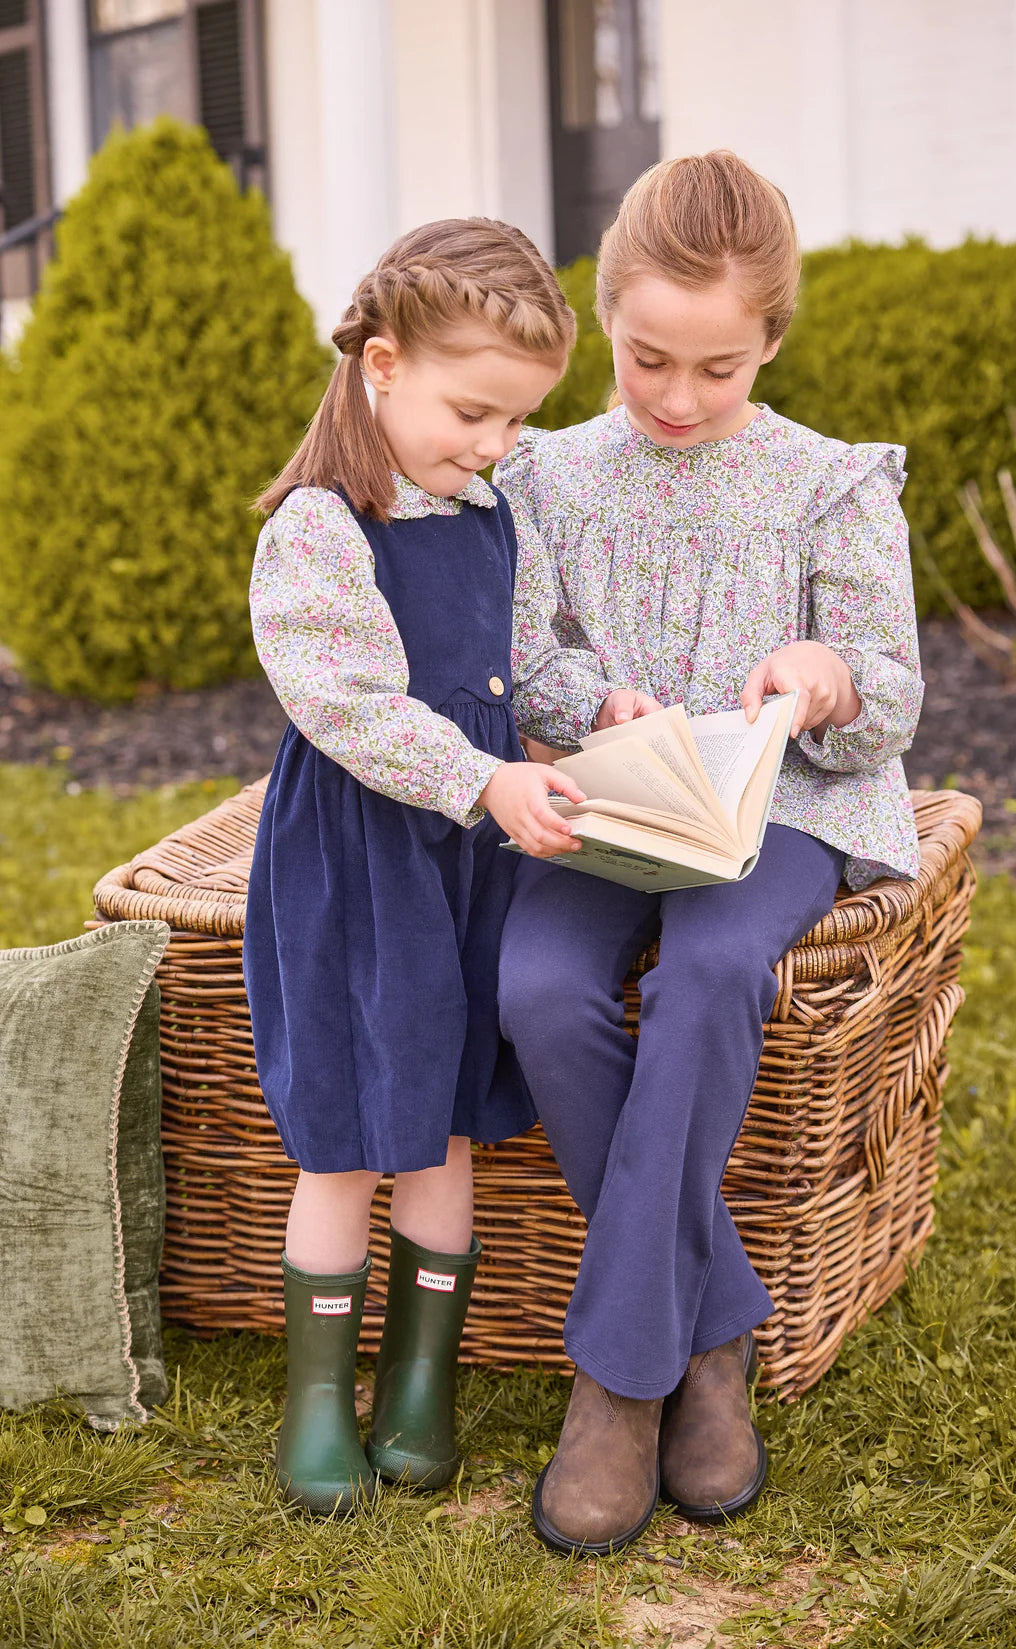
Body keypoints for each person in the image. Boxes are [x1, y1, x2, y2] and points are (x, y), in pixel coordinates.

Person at [495, 151, 924, 1556]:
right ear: (605, 315)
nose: (679, 399)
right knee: (543, 990)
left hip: (779, 813)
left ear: (773, 343)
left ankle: (619, 1377)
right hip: (613, 809)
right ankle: (717, 1325)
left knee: (714, 969)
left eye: (718, 370)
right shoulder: (547, 476)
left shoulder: (828, 484)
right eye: (646, 360)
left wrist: (823, 673)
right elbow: (524, 664)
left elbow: (891, 688)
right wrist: (585, 703)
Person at [243, 218, 623, 1517]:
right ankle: (316, 1396)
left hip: (467, 861)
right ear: (385, 364)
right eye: (476, 412)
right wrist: (488, 778)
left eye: (515, 423)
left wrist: (590, 710)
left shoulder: (483, 510)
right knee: (353, 1129)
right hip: (362, 866)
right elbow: (345, 704)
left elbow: (519, 663)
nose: (495, 445)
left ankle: (420, 1380)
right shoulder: (319, 528)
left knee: (448, 1116)